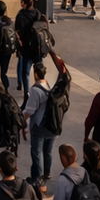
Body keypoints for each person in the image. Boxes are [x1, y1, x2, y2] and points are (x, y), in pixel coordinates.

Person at [23, 55, 67, 186]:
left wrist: (21, 121)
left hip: (39, 127)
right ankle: (47, 173)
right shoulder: (49, 86)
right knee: (47, 151)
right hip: (52, 125)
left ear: (35, 74)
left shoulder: (35, 90)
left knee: (36, 153)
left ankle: (37, 178)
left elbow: (30, 110)